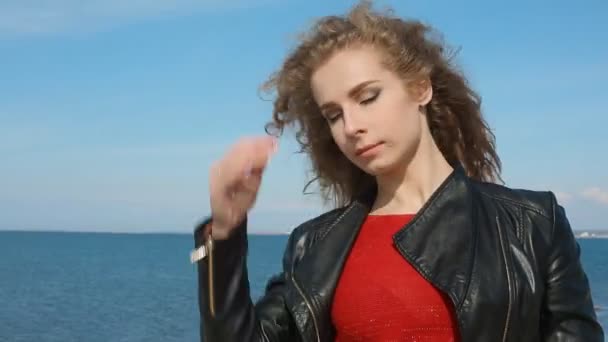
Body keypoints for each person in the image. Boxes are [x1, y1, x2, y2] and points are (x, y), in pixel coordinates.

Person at [191, 1, 604, 341]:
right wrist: (224, 236)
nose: (351, 127)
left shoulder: (531, 225)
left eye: (367, 97)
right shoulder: (314, 246)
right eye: (334, 115)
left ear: (420, 88)